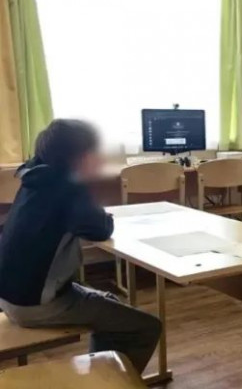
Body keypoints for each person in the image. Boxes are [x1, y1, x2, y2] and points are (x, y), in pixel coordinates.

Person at [0, 120, 162, 374]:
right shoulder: (68, 190)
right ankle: (113, 382)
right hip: (36, 305)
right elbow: (101, 228)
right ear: (80, 157)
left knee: (110, 303)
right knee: (147, 326)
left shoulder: (34, 178)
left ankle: (101, 372)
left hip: (11, 295)